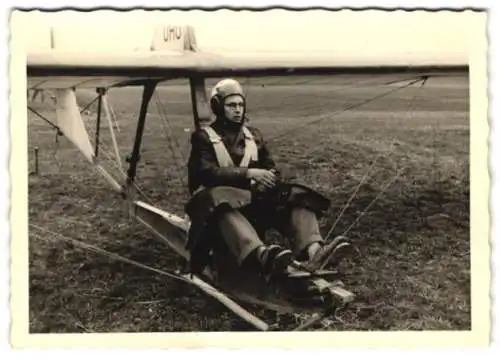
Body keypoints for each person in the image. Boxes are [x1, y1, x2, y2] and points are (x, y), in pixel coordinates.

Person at [184, 78, 351, 281]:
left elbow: (270, 167)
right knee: (220, 201)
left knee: (295, 195)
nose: (237, 110)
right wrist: (249, 174)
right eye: (231, 105)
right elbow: (205, 172)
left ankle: (314, 251)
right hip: (215, 209)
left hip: (252, 201)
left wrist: (268, 178)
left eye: (240, 105)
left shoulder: (253, 135)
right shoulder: (203, 137)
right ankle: (261, 256)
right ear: (218, 107)